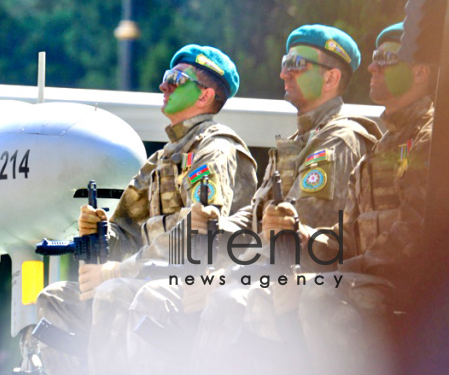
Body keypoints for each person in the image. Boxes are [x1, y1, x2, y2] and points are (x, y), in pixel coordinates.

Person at [124, 24, 381, 375]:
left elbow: (291, 233)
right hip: (267, 272)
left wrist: (222, 270)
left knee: (218, 298)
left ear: (331, 78)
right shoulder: (300, 139)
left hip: (301, 280)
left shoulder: (339, 140)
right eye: (284, 62)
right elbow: (254, 217)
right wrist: (213, 228)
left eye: (296, 64)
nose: (283, 72)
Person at [190, 22, 435, 375]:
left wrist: (326, 269)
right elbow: (345, 237)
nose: (373, 66)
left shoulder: (428, 142)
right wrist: (219, 228)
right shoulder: (379, 148)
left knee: (272, 294)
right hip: (353, 280)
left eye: (386, 58)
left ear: (421, 72)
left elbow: (411, 240)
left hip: (407, 294)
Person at [35, 44, 258, 375]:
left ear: (205, 96)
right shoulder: (161, 161)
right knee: (55, 299)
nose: (163, 85)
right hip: (145, 279)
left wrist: (117, 272)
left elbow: (197, 235)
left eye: (175, 79)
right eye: (166, 77)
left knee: (113, 293)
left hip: (196, 286)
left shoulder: (215, 150)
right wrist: (99, 233)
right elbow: (125, 234)